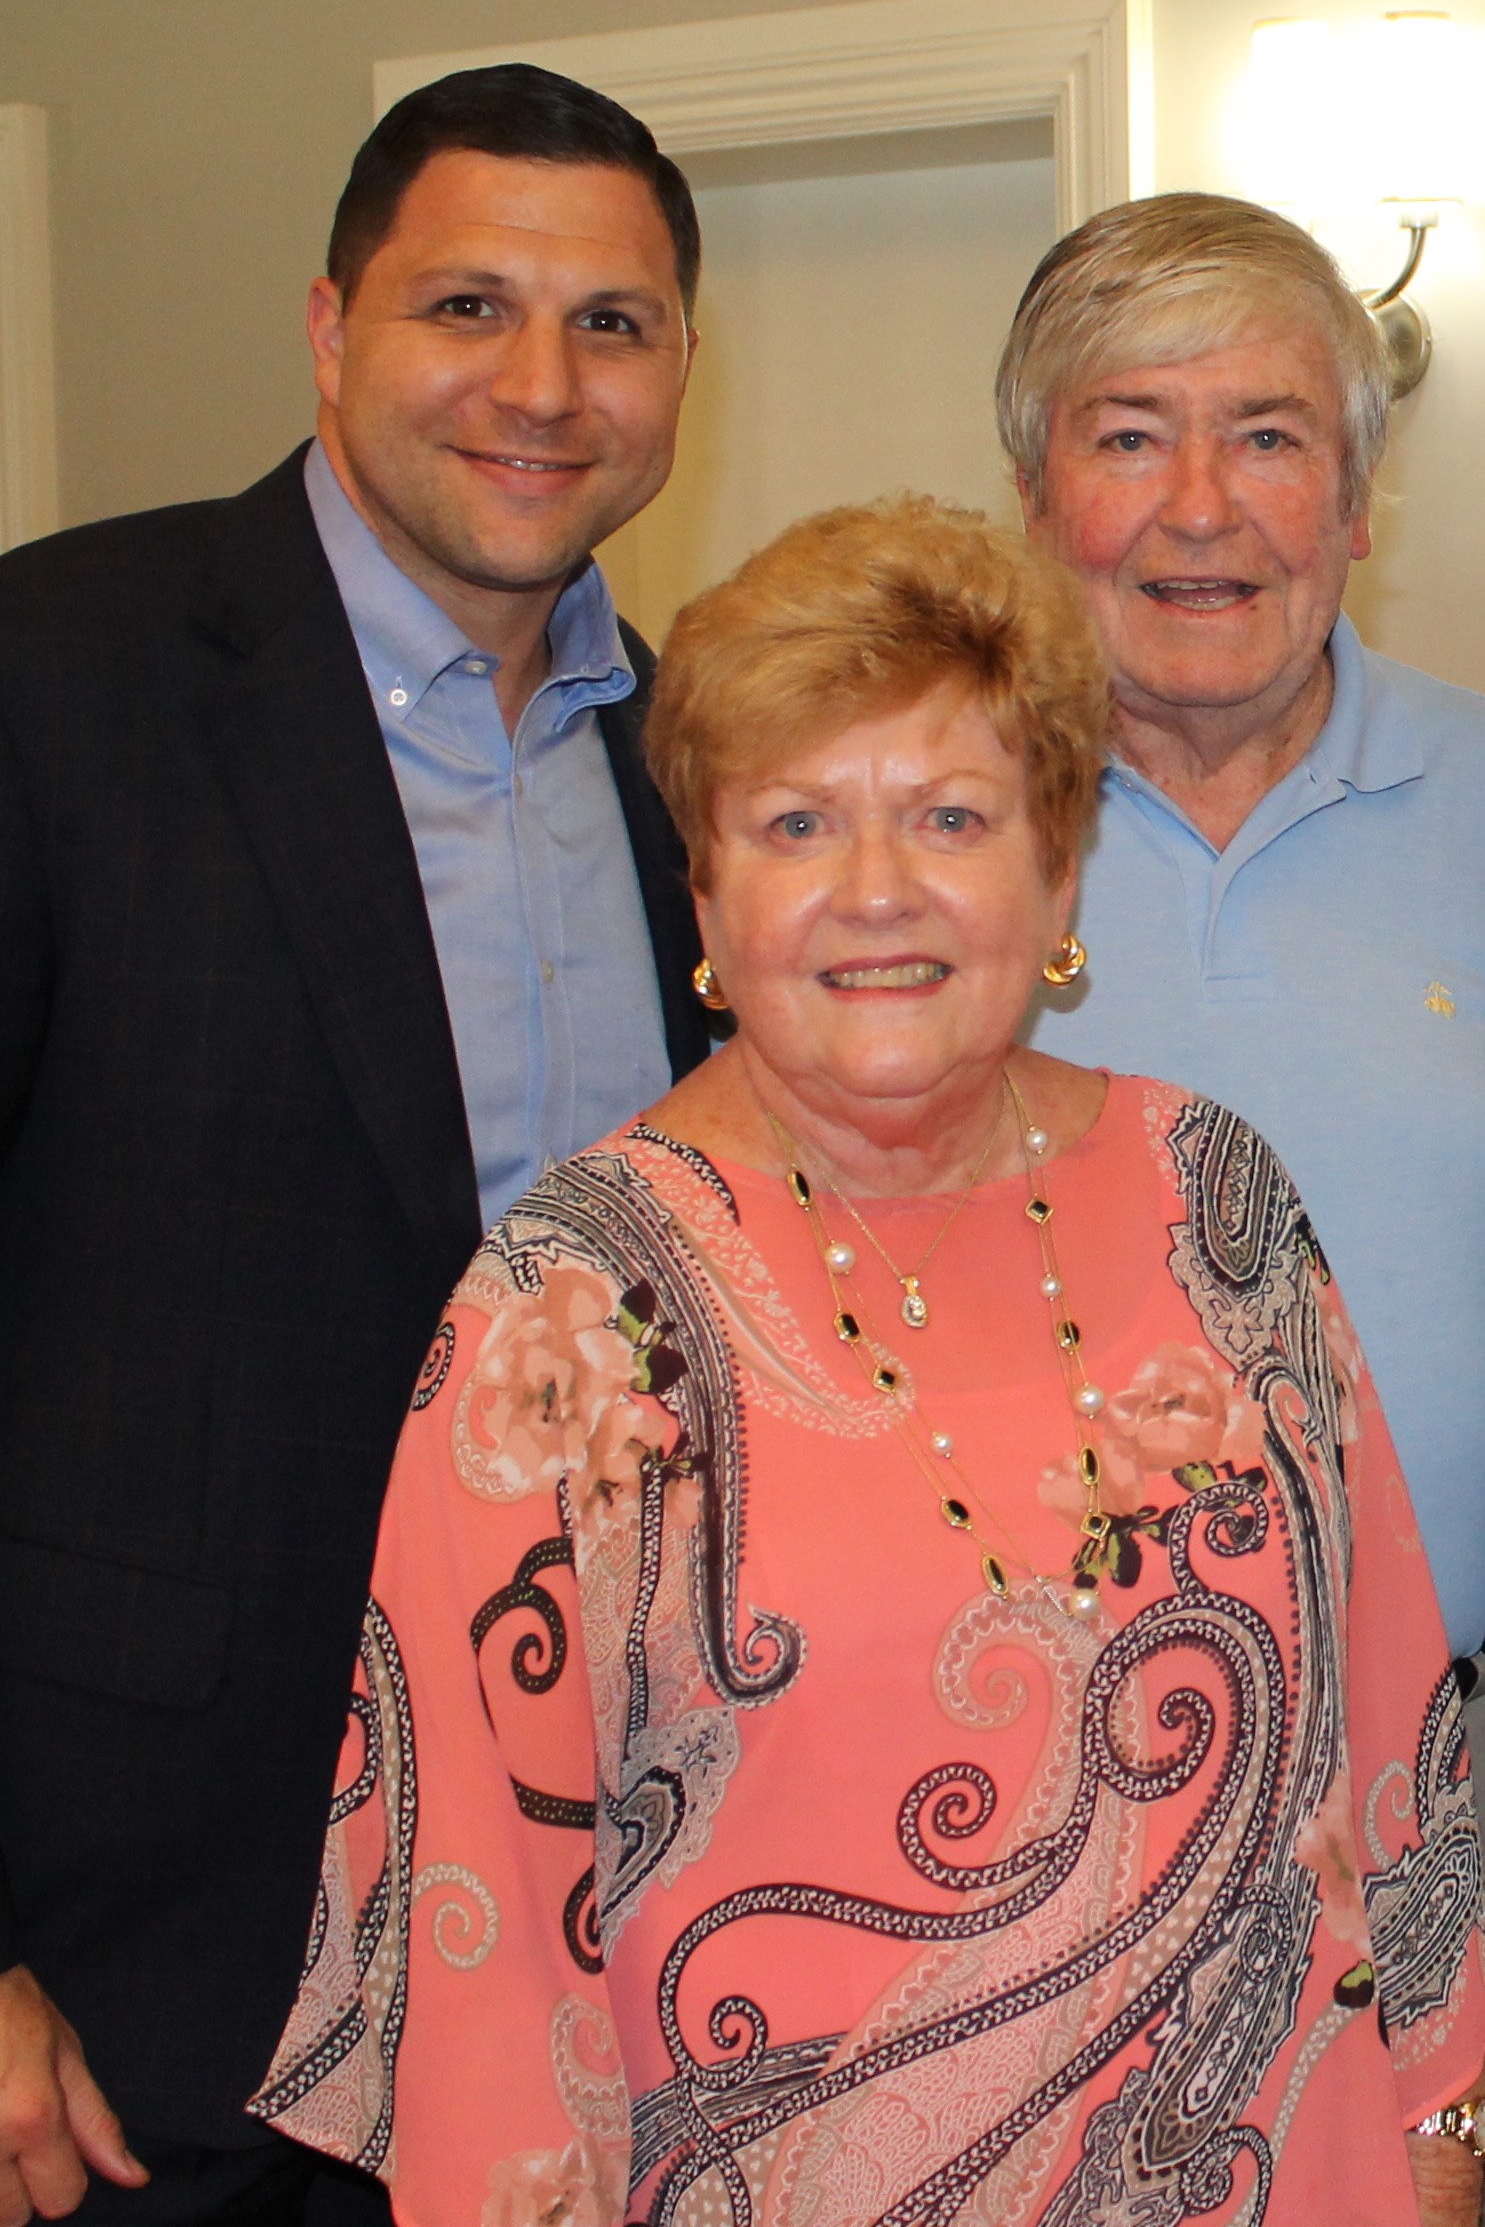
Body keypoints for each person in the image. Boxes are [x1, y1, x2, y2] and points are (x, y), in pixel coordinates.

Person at [255, 498, 1485, 2226]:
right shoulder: (565, 1318)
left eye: (951, 817)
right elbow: (481, 1946)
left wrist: (1445, 2129)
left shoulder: (1212, 1194)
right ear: (704, 891)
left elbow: (1394, 1713)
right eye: (796, 823)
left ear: (1058, 873)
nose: (877, 891)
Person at [0, 63, 711, 2224]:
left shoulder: (695, 762)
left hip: (587, 1947)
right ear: (328, 330)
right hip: (130, 1975)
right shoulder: (49, 676)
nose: (541, 384)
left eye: (609, 322)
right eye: (465, 305)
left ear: (682, 367)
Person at [1000, 191, 1485, 1669]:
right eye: (1128, 438)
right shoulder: (920, 838)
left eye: (1267, 437)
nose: (1200, 506)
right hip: (1020, 1745)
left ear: (1356, 499)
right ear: (1031, 496)